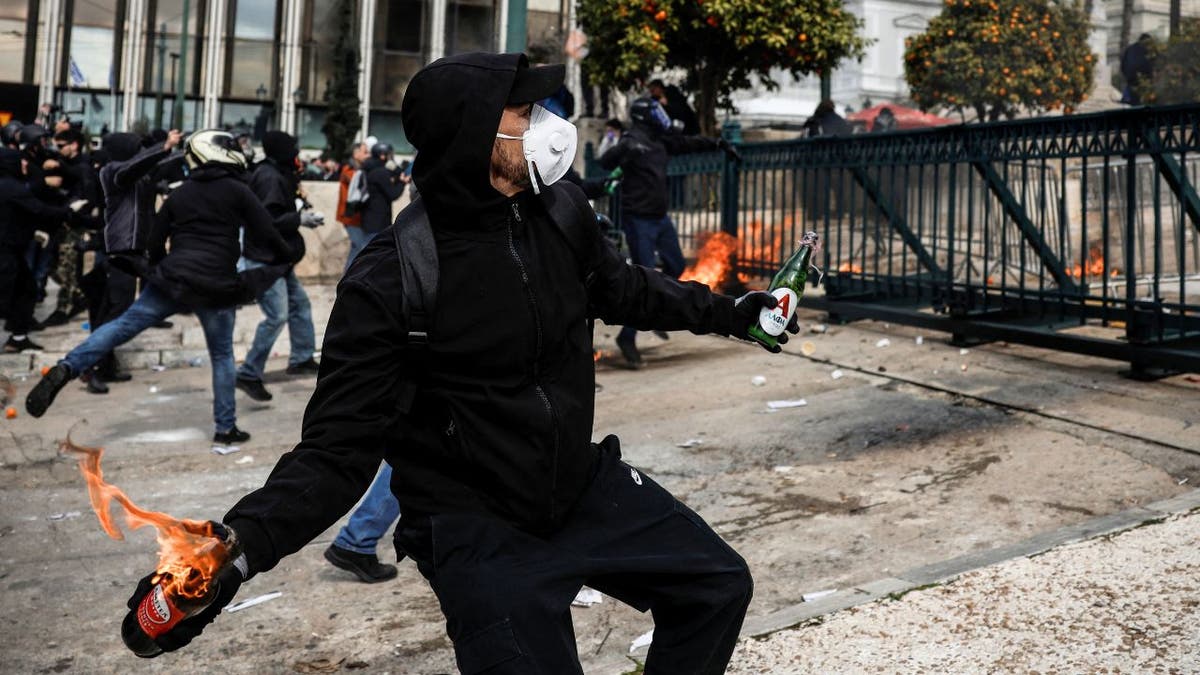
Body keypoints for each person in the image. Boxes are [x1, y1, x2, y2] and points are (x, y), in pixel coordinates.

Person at [118, 52, 798, 674]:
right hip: (474, 527)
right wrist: (229, 553)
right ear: (476, 136)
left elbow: (622, 286)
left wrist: (735, 313)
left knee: (717, 584)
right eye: (525, 114)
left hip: (576, 487)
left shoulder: (557, 209)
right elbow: (335, 454)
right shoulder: (393, 276)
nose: (547, 126)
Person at [26, 130, 299, 446]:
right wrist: (286, 255)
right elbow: (266, 232)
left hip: (173, 278)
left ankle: (67, 367)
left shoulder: (179, 194)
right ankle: (225, 429)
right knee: (222, 354)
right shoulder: (238, 191)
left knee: (122, 326)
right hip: (216, 285)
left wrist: (161, 271)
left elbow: (156, 241)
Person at [599, 96, 740, 367]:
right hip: (638, 221)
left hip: (661, 219)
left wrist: (719, 143)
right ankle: (627, 337)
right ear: (644, 116)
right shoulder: (632, 141)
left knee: (675, 266)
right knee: (643, 281)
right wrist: (623, 150)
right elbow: (605, 161)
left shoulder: (661, 140)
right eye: (656, 111)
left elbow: (689, 142)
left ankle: (654, 311)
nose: (661, 115)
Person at [235, 131, 322, 402]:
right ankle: (249, 373)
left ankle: (301, 358)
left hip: (278, 258)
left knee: (300, 305)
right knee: (277, 315)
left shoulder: (276, 173)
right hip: (265, 261)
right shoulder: (269, 177)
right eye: (293, 149)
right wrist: (299, 219)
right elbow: (267, 219)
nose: (296, 154)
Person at [1, 148, 77, 352]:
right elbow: (39, 209)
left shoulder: (10, 186)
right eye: (21, 161)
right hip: (5, 252)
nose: (25, 165)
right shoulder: (13, 187)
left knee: (25, 291)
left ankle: (18, 338)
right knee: (11, 294)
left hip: (12, 250)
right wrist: (70, 212)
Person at [358, 142, 406, 242]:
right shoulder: (381, 173)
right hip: (377, 222)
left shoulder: (371, 168)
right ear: (382, 156)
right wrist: (402, 182)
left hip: (369, 218)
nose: (391, 157)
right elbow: (393, 194)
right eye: (388, 154)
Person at [336, 142, 371, 268]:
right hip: (349, 216)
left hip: (357, 217)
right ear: (356, 154)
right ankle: (348, 276)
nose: (368, 155)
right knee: (358, 246)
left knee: (358, 246)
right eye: (365, 152)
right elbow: (358, 183)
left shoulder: (360, 168)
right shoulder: (349, 169)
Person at [1120, 33, 1154, 105]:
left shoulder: (1129, 49)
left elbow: (1123, 66)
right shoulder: (1148, 49)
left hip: (1131, 82)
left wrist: (1127, 77)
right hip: (1143, 82)